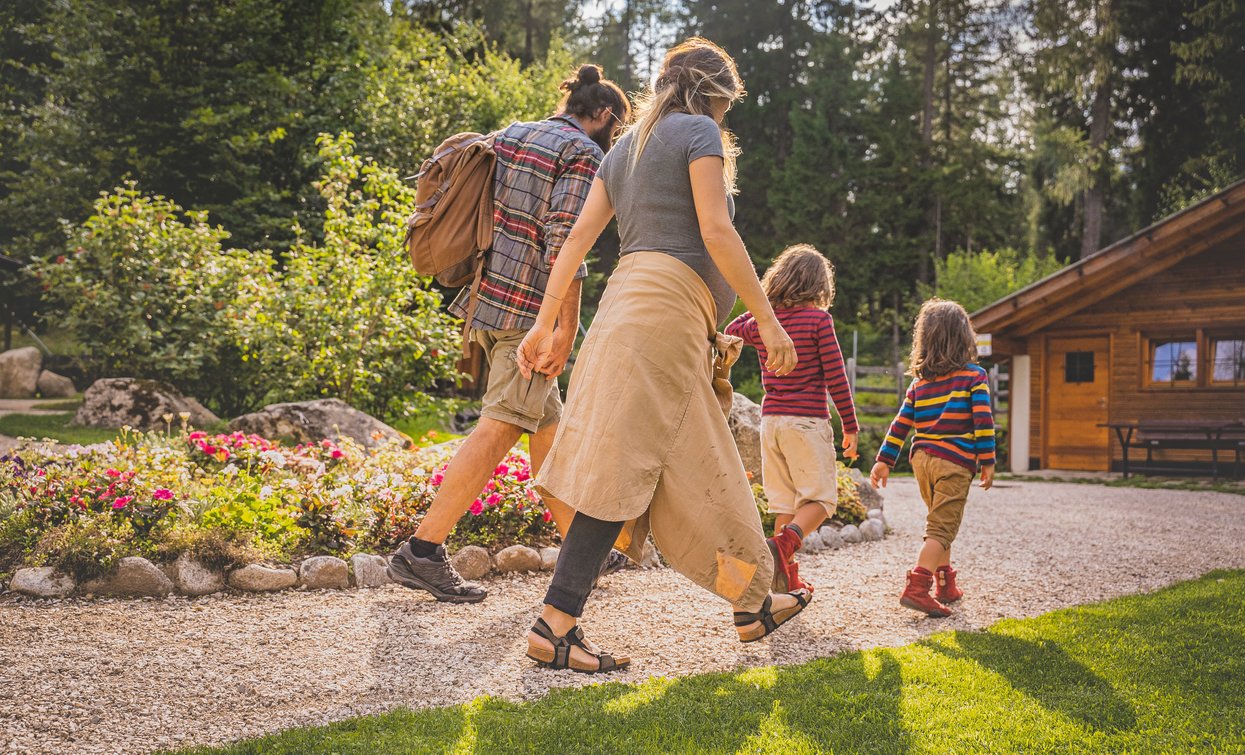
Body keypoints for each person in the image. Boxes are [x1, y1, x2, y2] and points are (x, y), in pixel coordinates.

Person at [515, 37, 812, 674]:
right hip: (664, 321)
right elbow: (715, 228)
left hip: (625, 312)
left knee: (704, 466)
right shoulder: (700, 135)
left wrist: (545, 324)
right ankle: (555, 624)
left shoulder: (626, 147)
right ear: (715, 95)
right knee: (617, 477)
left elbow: (575, 245)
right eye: (726, 105)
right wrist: (768, 320)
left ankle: (750, 602)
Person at [388, 65, 630, 603]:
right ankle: (421, 552)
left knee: (547, 430)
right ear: (605, 116)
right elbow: (564, 241)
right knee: (499, 427)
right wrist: (564, 325)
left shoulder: (510, 134)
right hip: (529, 314)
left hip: (487, 300)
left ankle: (579, 553)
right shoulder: (584, 153)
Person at [725, 244, 859, 595]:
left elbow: (732, 329)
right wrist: (850, 424)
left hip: (771, 423)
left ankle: (785, 580)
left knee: (784, 504)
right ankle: (784, 547)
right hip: (807, 423)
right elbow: (836, 377)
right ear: (820, 286)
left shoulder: (764, 323)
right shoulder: (819, 321)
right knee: (821, 501)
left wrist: (762, 307)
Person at [869, 298, 995, 617]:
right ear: (963, 337)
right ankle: (918, 587)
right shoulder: (974, 376)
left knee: (939, 522)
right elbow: (982, 420)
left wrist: (884, 459)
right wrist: (989, 461)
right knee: (941, 528)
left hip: (922, 460)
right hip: (954, 461)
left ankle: (945, 584)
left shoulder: (919, 383)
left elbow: (900, 423)